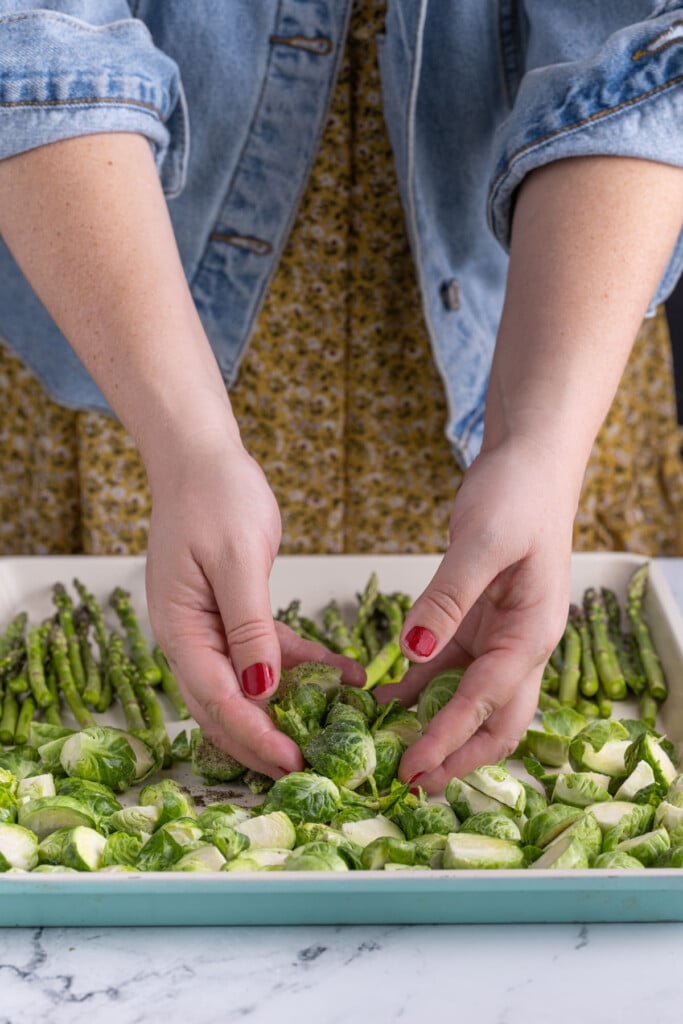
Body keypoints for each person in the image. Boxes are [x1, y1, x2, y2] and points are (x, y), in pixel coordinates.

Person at [0, 1, 681, 791]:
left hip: (553, 325)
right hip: (116, 314)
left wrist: (539, 447)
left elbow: (640, 49)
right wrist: (189, 449)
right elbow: (29, 31)